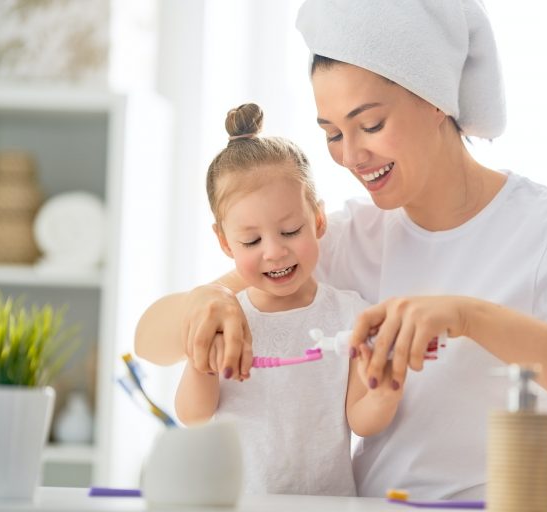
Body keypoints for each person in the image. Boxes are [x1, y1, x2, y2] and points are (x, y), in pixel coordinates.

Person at [135, 0, 547, 504]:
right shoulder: (345, 237)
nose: (351, 155)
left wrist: (469, 316)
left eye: (370, 125)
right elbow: (150, 342)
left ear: (435, 97)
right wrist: (205, 302)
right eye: (333, 134)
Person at [172, 102, 402, 496]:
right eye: (252, 240)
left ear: (317, 220)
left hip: (328, 505)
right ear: (225, 242)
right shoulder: (227, 320)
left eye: (291, 230)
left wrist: (387, 386)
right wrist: (202, 363)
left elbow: (361, 422)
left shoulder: (351, 314)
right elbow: (193, 416)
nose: (274, 252)